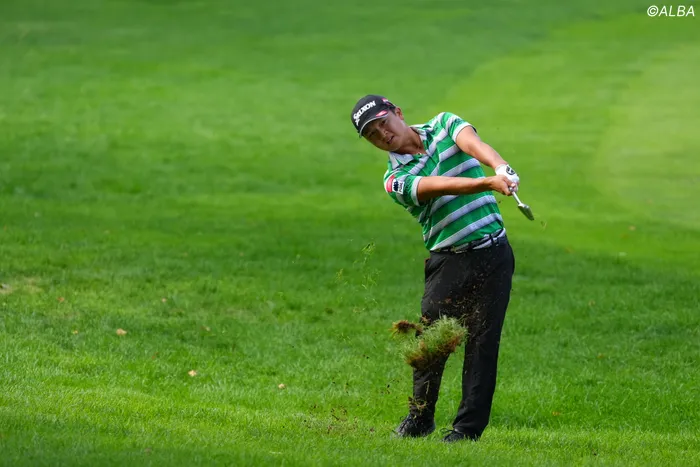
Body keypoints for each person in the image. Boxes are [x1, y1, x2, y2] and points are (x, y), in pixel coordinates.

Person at [350, 95, 520, 443]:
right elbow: (439, 186)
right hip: (449, 261)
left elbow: (473, 145)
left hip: (495, 254)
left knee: (483, 344)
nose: (382, 135)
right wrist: (488, 182)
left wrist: (500, 166)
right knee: (431, 345)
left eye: (383, 123)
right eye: (372, 135)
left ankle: (466, 430)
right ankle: (420, 418)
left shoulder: (444, 124)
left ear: (398, 113)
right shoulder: (395, 179)